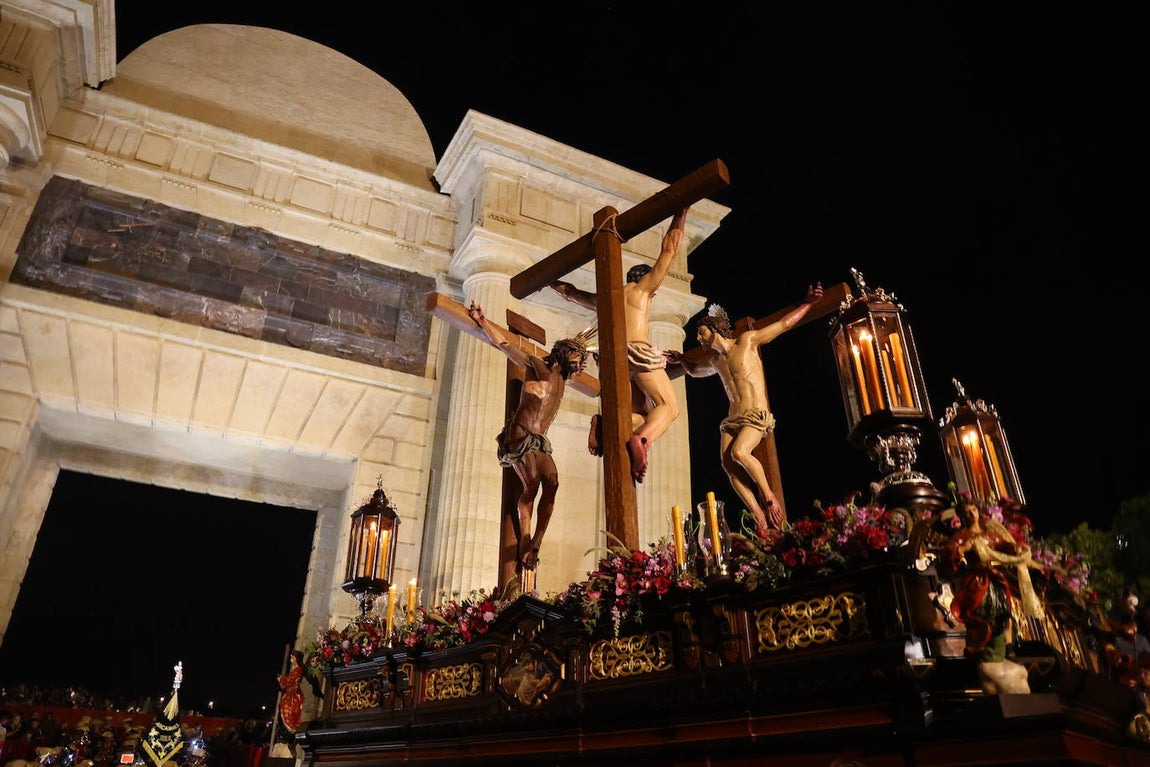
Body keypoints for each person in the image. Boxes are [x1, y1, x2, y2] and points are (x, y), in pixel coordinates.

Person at [665, 283, 823, 535]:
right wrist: (682, 360)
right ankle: (757, 513)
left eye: (702, 332)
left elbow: (783, 325)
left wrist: (808, 304)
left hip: (755, 413)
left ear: (714, 329)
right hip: (733, 417)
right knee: (728, 463)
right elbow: (694, 371)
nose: (699, 338)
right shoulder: (715, 360)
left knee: (740, 451)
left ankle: (768, 496)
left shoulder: (746, 342)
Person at [551, 207, 689, 483]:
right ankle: (643, 441)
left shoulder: (604, 299)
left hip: (614, 360)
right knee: (668, 407)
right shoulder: (643, 290)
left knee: (638, 416)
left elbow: (571, 293)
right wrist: (681, 212)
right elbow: (669, 249)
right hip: (638, 353)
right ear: (645, 279)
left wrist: (549, 280)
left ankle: (605, 425)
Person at [468, 301, 595, 572]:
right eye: (577, 355)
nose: (579, 361)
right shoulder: (537, 365)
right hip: (520, 435)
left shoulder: (565, 380)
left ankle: (536, 542)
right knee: (532, 484)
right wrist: (482, 320)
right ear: (563, 351)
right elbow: (504, 344)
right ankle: (524, 538)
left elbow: (593, 383)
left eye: (581, 358)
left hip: (539, 441)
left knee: (553, 483)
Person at [940, 498, 1042, 694]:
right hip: (977, 583)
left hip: (994, 581)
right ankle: (987, 655)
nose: (971, 514)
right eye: (967, 512)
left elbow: (1003, 545)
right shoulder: (962, 537)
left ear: (978, 511)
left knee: (1005, 616)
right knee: (985, 617)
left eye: (973, 510)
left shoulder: (989, 535)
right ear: (961, 516)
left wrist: (1017, 549)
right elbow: (949, 554)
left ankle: (1007, 650)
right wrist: (962, 551)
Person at [276, 650, 306, 734]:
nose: (291, 659)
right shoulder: (295, 670)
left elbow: (288, 681)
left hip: (293, 695)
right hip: (290, 694)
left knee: (289, 712)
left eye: (292, 657)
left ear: (296, 659)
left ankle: (290, 731)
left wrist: (281, 678)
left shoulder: (298, 670)